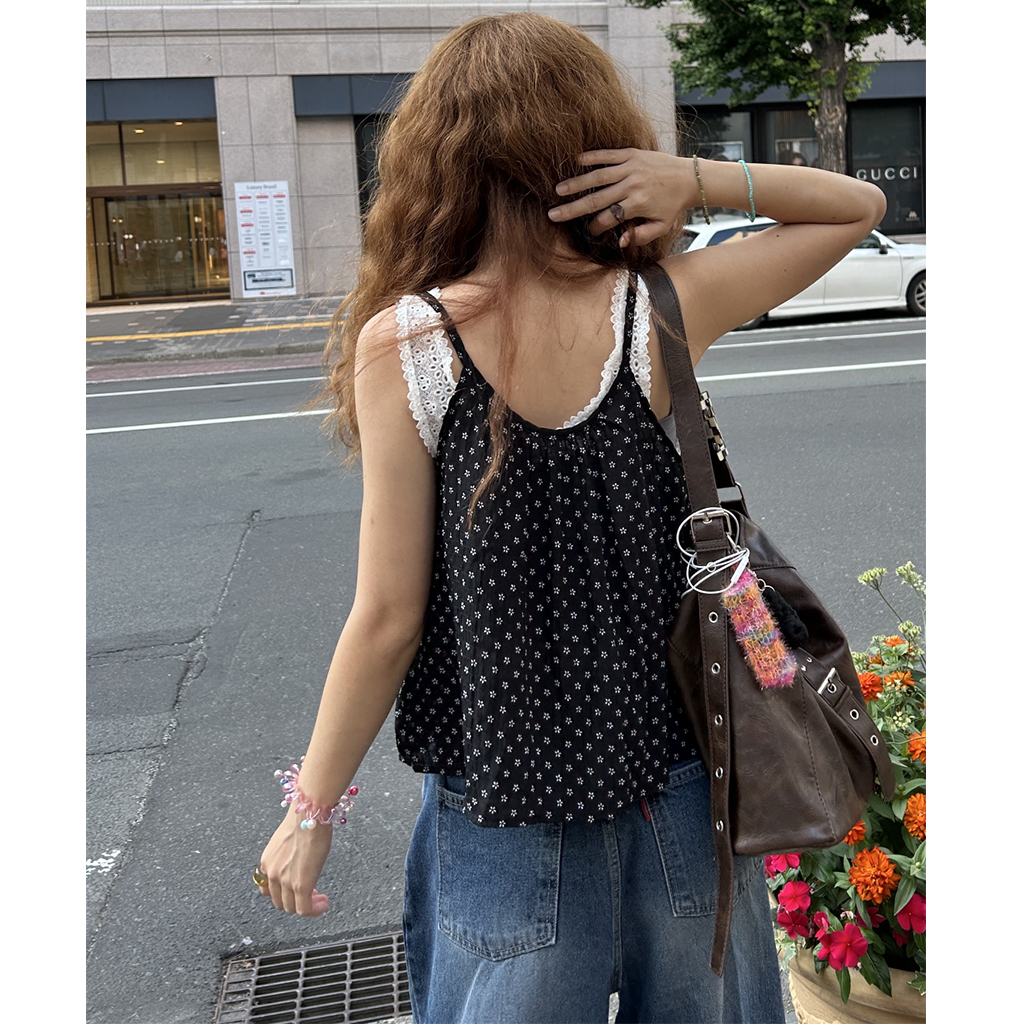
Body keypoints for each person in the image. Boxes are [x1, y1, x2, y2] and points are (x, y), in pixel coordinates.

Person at [255, 13, 885, 1024]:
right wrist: (694, 179)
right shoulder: (662, 306)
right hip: (684, 775)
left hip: (504, 799)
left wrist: (311, 809)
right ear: (595, 148)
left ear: (435, 163)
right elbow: (854, 209)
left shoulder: (410, 342)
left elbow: (387, 618)